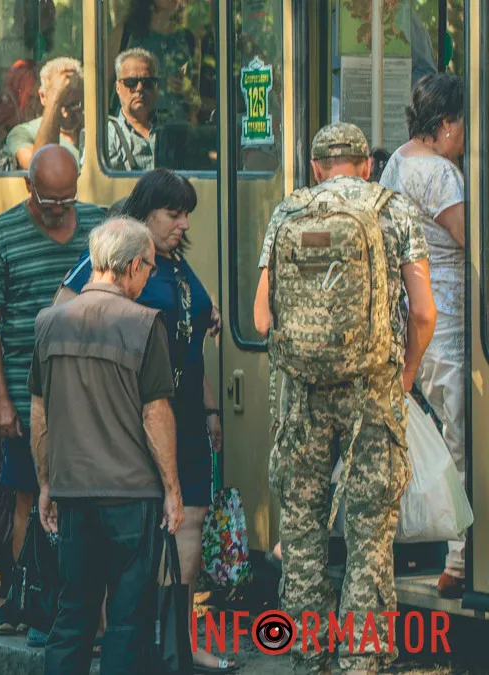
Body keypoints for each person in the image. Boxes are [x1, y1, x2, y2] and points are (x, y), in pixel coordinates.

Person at [253, 123, 436, 675]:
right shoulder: (395, 210)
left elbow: (262, 316)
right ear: (364, 165)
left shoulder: (288, 212)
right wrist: (403, 376)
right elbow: (424, 313)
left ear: (315, 168)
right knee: (370, 534)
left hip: (302, 397)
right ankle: (362, 658)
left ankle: (310, 655)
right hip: (373, 397)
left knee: (303, 531)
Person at [56, 169, 233, 672]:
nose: (182, 223)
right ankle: (129, 639)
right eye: (172, 214)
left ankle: (177, 638)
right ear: (145, 213)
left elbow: (187, 340)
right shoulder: (115, 260)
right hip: (137, 414)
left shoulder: (176, 264)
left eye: (186, 215)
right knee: (139, 530)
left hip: (188, 411)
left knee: (191, 516)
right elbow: (69, 317)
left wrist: (212, 407)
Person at [30, 217, 182, 674]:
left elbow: (40, 413)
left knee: (73, 611)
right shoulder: (144, 324)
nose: (150, 277)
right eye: (150, 268)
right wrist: (172, 489)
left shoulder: (48, 322)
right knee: (127, 621)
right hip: (130, 495)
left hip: (73, 492)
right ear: (132, 265)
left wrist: (45, 483)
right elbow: (155, 415)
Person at [0, 146, 104, 644]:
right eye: (50, 202)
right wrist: (0, 398)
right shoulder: (2, 234)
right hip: (31, 396)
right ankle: (34, 602)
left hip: (92, 392)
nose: (60, 211)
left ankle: (81, 603)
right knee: (30, 496)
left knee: (86, 500)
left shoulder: (97, 223)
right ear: (29, 187)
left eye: (68, 200)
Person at [378, 73, 466, 598]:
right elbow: (469, 238)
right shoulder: (443, 175)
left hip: (411, 320)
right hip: (450, 325)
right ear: (448, 123)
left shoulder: (397, 163)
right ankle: (458, 561)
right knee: (458, 443)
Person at [117, 0, 201, 124]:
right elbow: (102, 88)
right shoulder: (126, 34)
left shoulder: (189, 40)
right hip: (132, 133)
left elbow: (196, 104)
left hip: (176, 132)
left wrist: (187, 92)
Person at [5, 58, 84, 170]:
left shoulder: (101, 129)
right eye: (60, 106)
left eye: (74, 105)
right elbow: (39, 169)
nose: (66, 114)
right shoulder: (23, 133)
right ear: (43, 97)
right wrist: (55, 97)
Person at [105, 48, 160, 172]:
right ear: (118, 88)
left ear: (156, 86)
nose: (140, 88)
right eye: (131, 82)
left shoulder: (172, 130)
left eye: (147, 82)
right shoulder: (106, 137)